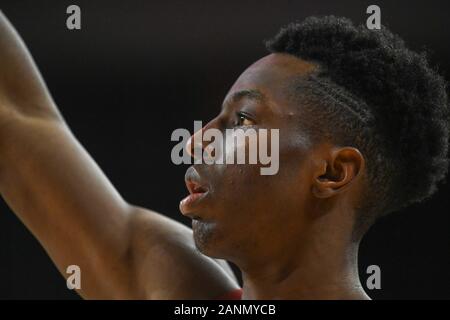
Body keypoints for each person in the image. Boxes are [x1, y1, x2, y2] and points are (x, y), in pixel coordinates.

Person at [0, 12, 448, 299]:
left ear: (332, 172)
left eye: (243, 121)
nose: (195, 143)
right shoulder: (181, 290)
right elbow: (16, 118)